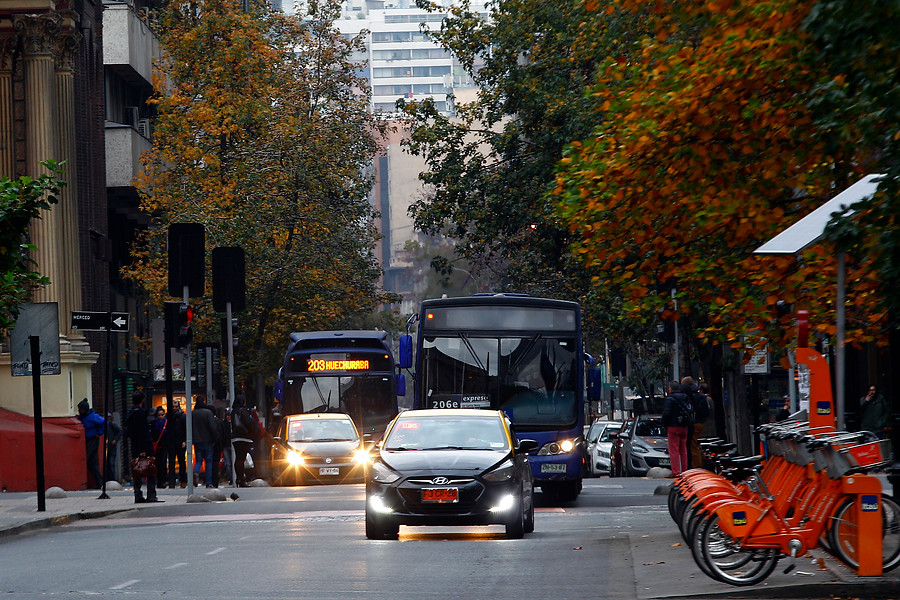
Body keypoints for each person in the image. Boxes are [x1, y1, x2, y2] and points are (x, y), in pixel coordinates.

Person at [125, 391, 162, 503]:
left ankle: (138, 494)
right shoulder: (140, 414)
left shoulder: (131, 413)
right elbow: (142, 432)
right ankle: (151, 494)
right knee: (150, 468)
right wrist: (144, 450)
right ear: (142, 400)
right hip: (144, 447)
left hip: (135, 447)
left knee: (137, 470)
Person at [661, 380, 692, 477]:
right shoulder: (685, 397)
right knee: (683, 449)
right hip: (684, 425)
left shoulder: (670, 399)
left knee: (673, 449)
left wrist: (664, 423)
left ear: (670, 389)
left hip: (673, 425)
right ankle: (685, 470)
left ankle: (676, 471)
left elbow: (667, 413)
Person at [682, 377, 710, 469]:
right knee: (695, 445)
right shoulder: (700, 395)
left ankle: (696, 467)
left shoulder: (689, 396)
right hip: (701, 422)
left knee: (693, 446)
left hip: (693, 422)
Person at [76, 398, 105, 489]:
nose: (79, 411)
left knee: (87, 458)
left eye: (81, 409)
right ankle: (99, 482)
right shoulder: (82, 417)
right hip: (88, 440)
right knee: (92, 463)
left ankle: (100, 482)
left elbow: (103, 422)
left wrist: (99, 433)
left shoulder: (92, 416)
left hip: (93, 440)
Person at [191, 395, 219, 488]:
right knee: (209, 462)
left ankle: (196, 472)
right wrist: (215, 438)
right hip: (208, 440)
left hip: (197, 440)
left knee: (199, 460)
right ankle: (208, 482)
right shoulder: (208, 413)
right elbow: (212, 427)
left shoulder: (192, 413)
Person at [231, 394, 257, 487]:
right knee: (242, 458)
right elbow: (248, 422)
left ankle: (239, 478)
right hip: (244, 437)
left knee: (238, 458)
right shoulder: (243, 411)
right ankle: (241, 479)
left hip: (235, 437)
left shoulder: (234, 411)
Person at [166, 401, 188, 488]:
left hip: (180, 442)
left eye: (176, 406)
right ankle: (172, 480)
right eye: (173, 407)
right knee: (171, 462)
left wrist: (185, 440)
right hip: (172, 442)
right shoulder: (169, 416)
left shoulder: (182, 416)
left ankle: (183, 480)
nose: (174, 408)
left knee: (181, 462)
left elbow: (186, 428)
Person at [151, 406, 168, 488]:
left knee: (163, 463)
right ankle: (159, 481)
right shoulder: (154, 423)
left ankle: (163, 480)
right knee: (157, 464)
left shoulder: (167, 423)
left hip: (164, 445)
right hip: (157, 446)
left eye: (162, 415)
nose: (161, 417)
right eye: (159, 415)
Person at [105, 413, 122, 482]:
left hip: (111, 447)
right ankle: (109, 478)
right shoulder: (106, 425)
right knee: (109, 463)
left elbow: (120, 431)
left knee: (111, 463)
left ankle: (112, 478)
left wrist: (115, 440)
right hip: (108, 446)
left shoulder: (111, 425)